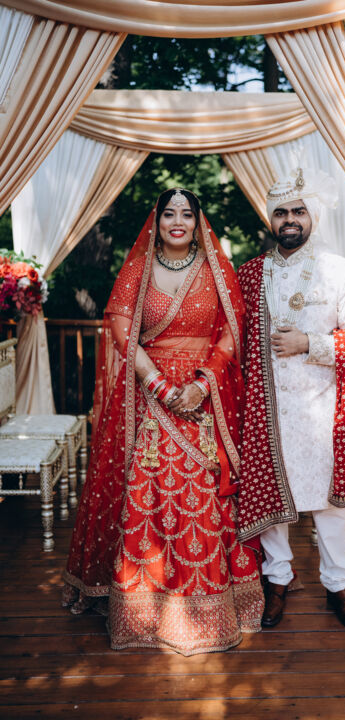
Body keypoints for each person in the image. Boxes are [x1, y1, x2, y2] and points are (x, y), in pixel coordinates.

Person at [62, 188, 264, 656]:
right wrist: (160, 386)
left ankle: (208, 608)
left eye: (186, 214)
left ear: (198, 222)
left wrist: (203, 384)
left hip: (203, 392)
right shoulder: (138, 269)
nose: (177, 221)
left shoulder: (217, 269)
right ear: (156, 222)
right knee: (145, 483)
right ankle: (143, 610)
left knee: (204, 489)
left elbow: (233, 331)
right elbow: (120, 328)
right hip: (147, 392)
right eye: (168, 213)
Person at [237, 168, 345, 633]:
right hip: (266, 409)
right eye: (281, 212)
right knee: (271, 498)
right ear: (271, 219)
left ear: (312, 214)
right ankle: (277, 579)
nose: (290, 219)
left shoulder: (341, 271)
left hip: (323, 409)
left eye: (298, 211)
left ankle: (340, 586)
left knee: (329, 507)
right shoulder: (250, 274)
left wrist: (308, 344)